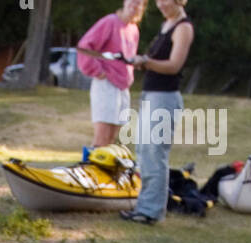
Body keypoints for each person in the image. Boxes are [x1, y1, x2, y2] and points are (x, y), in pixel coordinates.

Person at [121, 0, 195, 224]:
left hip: (164, 98)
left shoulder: (183, 27)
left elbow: (174, 65)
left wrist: (146, 62)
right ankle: (144, 207)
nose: (161, 4)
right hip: (151, 96)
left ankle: (151, 212)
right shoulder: (166, 24)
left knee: (155, 155)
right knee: (144, 153)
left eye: (166, 0)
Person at [77, 1, 147, 149]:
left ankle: (106, 170)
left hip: (123, 87)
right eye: (132, 1)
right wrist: (97, 71)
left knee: (112, 138)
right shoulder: (110, 22)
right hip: (106, 84)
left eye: (140, 3)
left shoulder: (134, 30)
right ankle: (90, 168)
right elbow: (84, 47)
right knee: (102, 137)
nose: (135, 6)